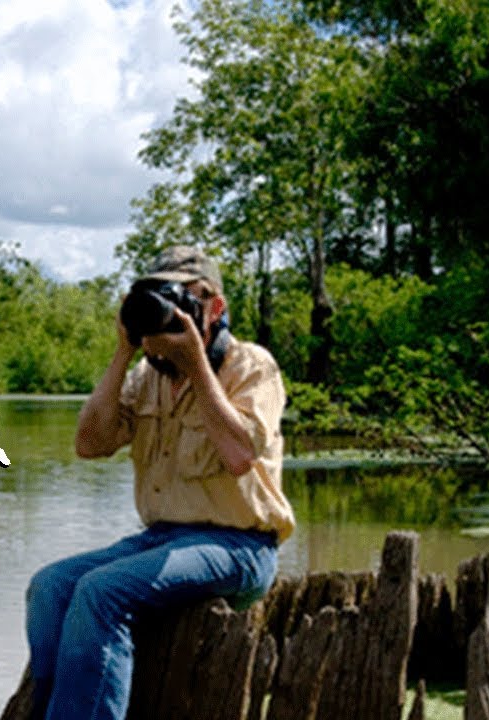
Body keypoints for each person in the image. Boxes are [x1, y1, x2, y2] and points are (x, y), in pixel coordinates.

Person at [23, 245, 295, 720]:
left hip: (241, 546)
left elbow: (238, 455)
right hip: (163, 539)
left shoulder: (251, 366)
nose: (169, 310)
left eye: (183, 299)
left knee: (102, 592)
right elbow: (89, 445)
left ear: (215, 308)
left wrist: (196, 365)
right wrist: (124, 349)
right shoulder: (146, 376)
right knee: (50, 587)